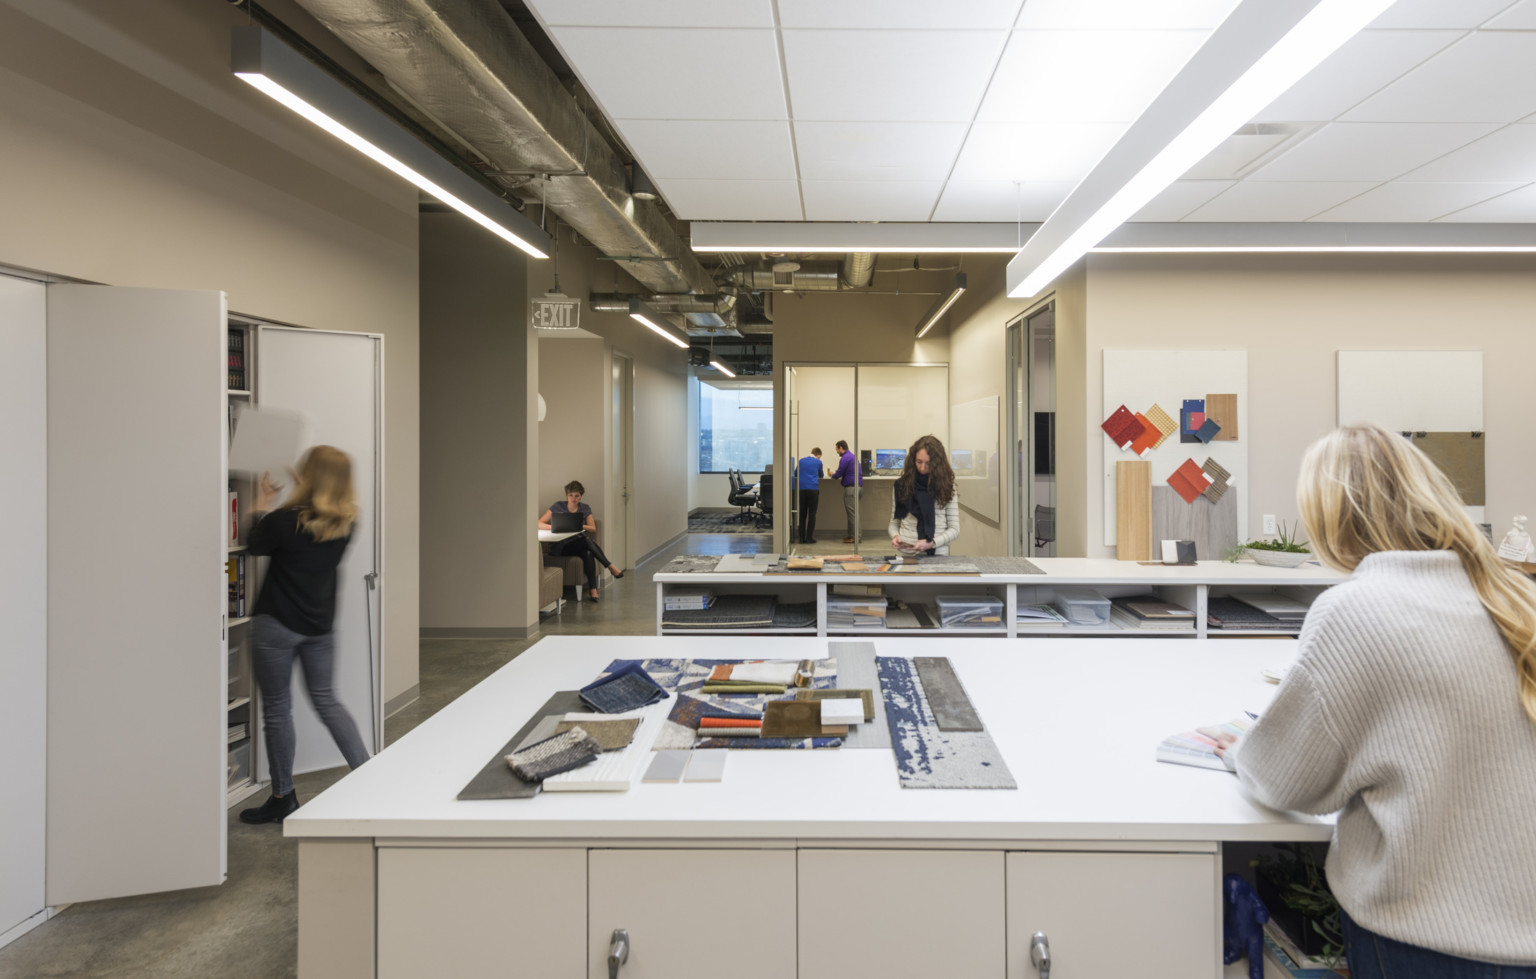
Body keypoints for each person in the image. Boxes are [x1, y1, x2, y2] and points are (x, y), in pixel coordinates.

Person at [1214, 422, 1536, 977]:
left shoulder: (1357, 611)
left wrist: (1239, 748)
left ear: (1332, 523)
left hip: (1429, 940)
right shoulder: (1517, 596)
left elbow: (1287, 779)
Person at [239, 446, 371, 825]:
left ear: (308, 475)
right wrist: (306, 492)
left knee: (278, 709)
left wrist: (261, 502)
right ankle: (370, 777)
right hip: (319, 628)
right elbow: (315, 517)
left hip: (277, 626)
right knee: (328, 702)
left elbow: (254, 543)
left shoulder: (283, 520)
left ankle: (283, 797)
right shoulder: (348, 522)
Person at [540, 480, 623, 603]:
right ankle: (609, 566)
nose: (573, 498)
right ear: (566, 495)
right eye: (570, 495)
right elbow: (539, 523)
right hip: (561, 546)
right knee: (586, 542)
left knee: (588, 551)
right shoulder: (558, 506)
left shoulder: (585, 508)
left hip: (578, 544)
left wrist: (579, 525)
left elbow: (593, 528)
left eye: (576, 496)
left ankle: (593, 589)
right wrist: (554, 526)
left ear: (581, 496)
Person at [887, 434, 961, 556]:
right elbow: (894, 524)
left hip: (937, 555)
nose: (922, 468)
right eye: (919, 462)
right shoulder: (902, 486)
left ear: (937, 463)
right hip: (906, 554)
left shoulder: (946, 487)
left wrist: (932, 543)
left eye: (928, 463)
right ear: (913, 460)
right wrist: (896, 536)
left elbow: (954, 530)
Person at [831, 439, 863, 544]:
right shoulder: (853, 457)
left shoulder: (845, 458)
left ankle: (855, 537)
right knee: (853, 513)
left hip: (851, 489)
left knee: (852, 514)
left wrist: (832, 474)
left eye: (837, 449)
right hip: (858, 488)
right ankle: (852, 535)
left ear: (841, 448)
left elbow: (839, 473)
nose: (836, 452)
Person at [795, 447, 824, 544]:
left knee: (802, 514)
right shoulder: (818, 462)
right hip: (813, 490)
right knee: (812, 514)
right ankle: (809, 538)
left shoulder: (801, 461)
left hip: (802, 490)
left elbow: (795, 473)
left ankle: (801, 538)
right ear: (818, 455)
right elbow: (821, 475)